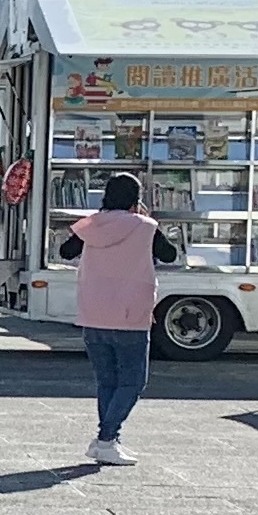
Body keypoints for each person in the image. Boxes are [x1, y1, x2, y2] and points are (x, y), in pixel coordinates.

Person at [59, 169, 169, 465]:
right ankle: (106, 439)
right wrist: (143, 217)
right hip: (131, 315)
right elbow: (170, 254)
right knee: (132, 383)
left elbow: (66, 251)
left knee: (106, 382)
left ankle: (107, 441)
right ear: (136, 199)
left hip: (93, 313)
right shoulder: (146, 226)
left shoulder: (91, 225)